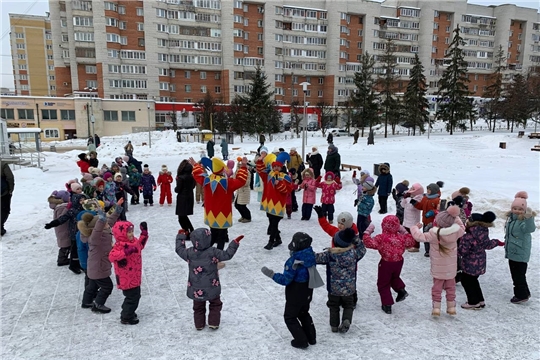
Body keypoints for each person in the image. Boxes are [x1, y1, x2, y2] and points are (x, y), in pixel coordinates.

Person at [261, 232, 323, 348]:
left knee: (290, 317)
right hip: (308, 289)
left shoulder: (293, 262)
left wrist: (272, 275)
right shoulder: (311, 256)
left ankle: (301, 341)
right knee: (304, 313)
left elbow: (286, 280)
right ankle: (311, 337)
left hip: (295, 291)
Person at [176, 228, 243, 330]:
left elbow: (179, 249)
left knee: (198, 307)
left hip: (196, 288)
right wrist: (234, 243)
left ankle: (199, 325)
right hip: (212, 286)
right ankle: (213, 323)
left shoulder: (190, 253)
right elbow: (227, 254)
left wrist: (181, 237)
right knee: (215, 304)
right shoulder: (213, 252)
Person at [410, 206, 465, 316]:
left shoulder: (433, 234)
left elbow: (418, 237)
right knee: (451, 288)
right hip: (451, 269)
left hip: (437, 269)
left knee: (437, 288)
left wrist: (414, 228)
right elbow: (461, 226)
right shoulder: (456, 233)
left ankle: (436, 308)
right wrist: (454, 216)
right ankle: (451, 307)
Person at [190, 156, 248, 250]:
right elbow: (241, 181)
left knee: (213, 234)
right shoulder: (227, 182)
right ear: (222, 170)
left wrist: (195, 165)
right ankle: (218, 258)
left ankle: (205, 253)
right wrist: (244, 167)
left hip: (211, 214)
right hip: (223, 215)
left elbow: (197, 174)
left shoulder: (206, 180)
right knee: (221, 236)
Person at [315, 228, 366, 333]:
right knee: (348, 305)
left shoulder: (330, 255)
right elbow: (362, 250)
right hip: (349, 288)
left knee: (333, 305)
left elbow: (315, 258)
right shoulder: (354, 254)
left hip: (334, 288)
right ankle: (346, 320)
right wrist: (357, 240)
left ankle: (334, 325)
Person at [362, 215, 416, 314]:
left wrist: (367, 232)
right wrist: (404, 231)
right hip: (398, 262)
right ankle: (401, 290)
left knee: (383, 283)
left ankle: (387, 304)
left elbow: (368, 243)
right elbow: (411, 242)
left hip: (386, 263)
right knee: (394, 277)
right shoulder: (401, 237)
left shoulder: (381, 238)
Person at [83, 198, 124, 314]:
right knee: (107, 286)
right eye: (103, 223)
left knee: (92, 285)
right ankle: (98, 304)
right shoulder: (95, 237)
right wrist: (101, 220)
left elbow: (110, 220)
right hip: (98, 267)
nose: (107, 224)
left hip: (95, 265)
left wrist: (118, 207)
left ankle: (86, 302)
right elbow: (99, 227)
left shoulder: (105, 229)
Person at [458, 211, 503, 309]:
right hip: (480, 263)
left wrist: (451, 251)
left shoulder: (468, 236)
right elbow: (487, 245)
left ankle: (473, 302)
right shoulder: (483, 232)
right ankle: (480, 300)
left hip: (470, 263)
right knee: (473, 281)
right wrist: (496, 242)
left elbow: (462, 251)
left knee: (466, 281)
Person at [109, 220, 149, 325]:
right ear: (121, 234)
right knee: (132, 297)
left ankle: (128, 310)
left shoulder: (133, 242)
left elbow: (140, 245)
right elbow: (112, 256)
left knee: (134, 296)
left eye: (132, 231)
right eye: (129, 232)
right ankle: (126, 316)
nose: (131, 234)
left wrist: (144, 234)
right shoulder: (119, 245)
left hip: (134, 276)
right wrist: (125, 252)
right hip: (125, 278)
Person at [504, 191, 536, 304]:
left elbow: (530, 228)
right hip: (512, 252)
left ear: (524, 210)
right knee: (517, 274)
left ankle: (520, 295)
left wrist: (529, 217)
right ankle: (525, 292)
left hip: (520, 253)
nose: (517, 211)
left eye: (520, 209)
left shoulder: (523, 221)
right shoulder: (511, 219)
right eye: (515, 208)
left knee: (518, 276)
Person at [256, 152, 292, 250]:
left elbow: (287, 190)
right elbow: (260, 170)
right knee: (271, 220)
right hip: (269, 204)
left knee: (274, 223)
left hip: (278, 204)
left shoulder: (285, 177)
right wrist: (260, 160)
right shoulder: (268, 175)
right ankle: (278, 239)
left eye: (278, 167)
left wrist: (279, 184)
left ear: (281, 167)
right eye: (274, 166)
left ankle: (271, 242)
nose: (276, 168)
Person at [410, 182, 443, 257]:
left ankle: (433, 250)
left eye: (429, 190)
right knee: (425, 235)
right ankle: (427, 250)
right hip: (425, 221)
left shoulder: (437, 200)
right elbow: (421, 206)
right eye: (427, 189)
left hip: (433, 222)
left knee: (432, 236)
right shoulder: (425, 198)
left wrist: (433, 212)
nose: (428, 191)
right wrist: (415, 203)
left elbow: (440, 210)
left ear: (434, 191)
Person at [47, 190, 71, 265]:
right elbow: (61, 217)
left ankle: (63, 258)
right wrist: (67, 208)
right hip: (63, 228)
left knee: (66, 244)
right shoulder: (62, 207)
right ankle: (62, 260)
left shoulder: (58, 205)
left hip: (62, 228)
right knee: (65, 244)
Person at [175, 159, 196, 233]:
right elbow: (193, 186)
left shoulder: (180, 178)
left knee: (181, 217)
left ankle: (188, 231)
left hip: (182, 198)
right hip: (189, 197)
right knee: (184, 216)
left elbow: (178, 189)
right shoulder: (192, 177)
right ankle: (189, 230)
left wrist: (176, 187)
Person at [402, 183, 424, 253]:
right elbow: (402, 205)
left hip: (413, 219)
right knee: (406, 232)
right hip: (406, 218)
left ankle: (416, 246)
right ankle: (408, 244)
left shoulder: (419, 198)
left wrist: (408, 199)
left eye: (413, 189)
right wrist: (404, 199)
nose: (411, 190)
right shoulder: (410, 197)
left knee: (414, 233)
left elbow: (413, 207)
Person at [234, 157, 252, 223]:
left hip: (244, 191)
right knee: (236, 205)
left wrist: (240, 183)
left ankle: (247, 217)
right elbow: (234, 177)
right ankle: (243, 216)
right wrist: (237, 169)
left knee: (242, 205)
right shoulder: (239, 171)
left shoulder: (247, 172)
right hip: (239, 190)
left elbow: (247, 182)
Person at [1, 162, 15, 236]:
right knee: (4, 209)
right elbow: (10, 177)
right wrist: (10, 189)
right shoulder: (3, 165)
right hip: (3, 192)